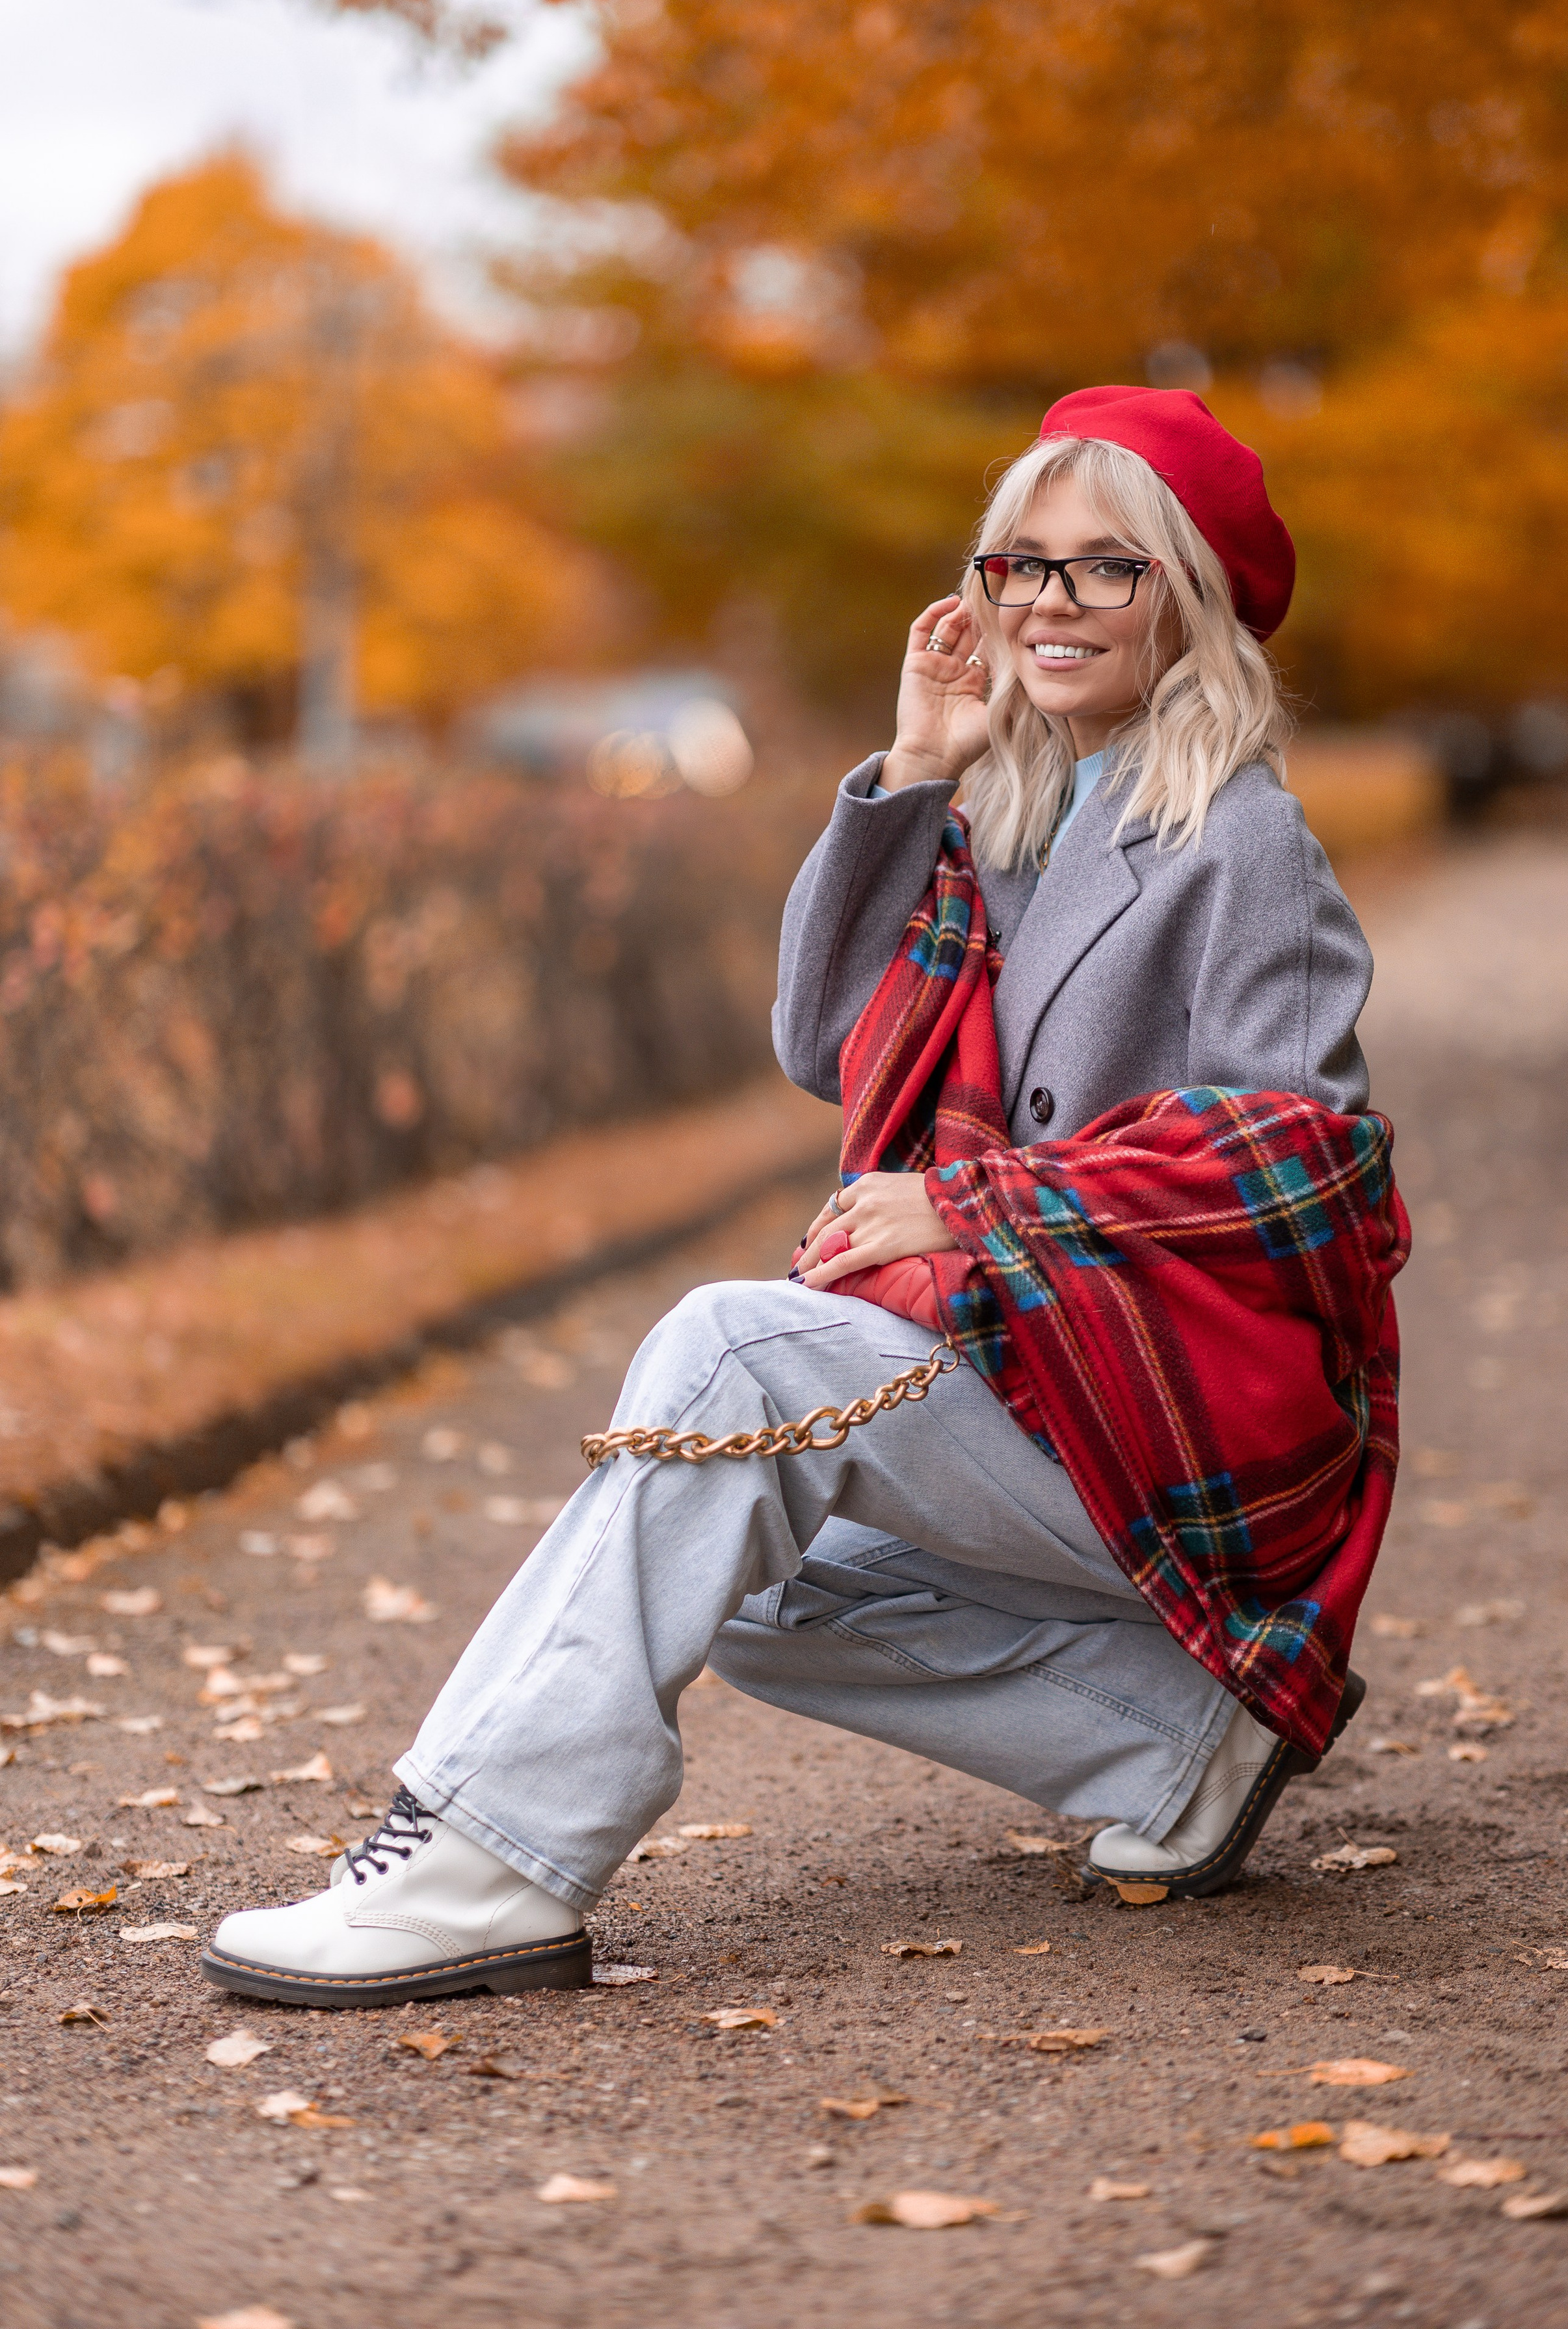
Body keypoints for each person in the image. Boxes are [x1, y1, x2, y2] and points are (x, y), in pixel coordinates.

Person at [204, 386, 1393, 2010]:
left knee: (734, 1362)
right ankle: (1175, 1746)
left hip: (1187, 1415)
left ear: (1189, 596)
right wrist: (912, 766)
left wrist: (983, 1209)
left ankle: (487, 1858)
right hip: (1047, 1381)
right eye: (1016, 567)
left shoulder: (1235, 839)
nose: (1044, 604)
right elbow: (823, 1046)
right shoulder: (1017, 815)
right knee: (727, 1561)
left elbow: (1308, 1161)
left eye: (1101, 569)